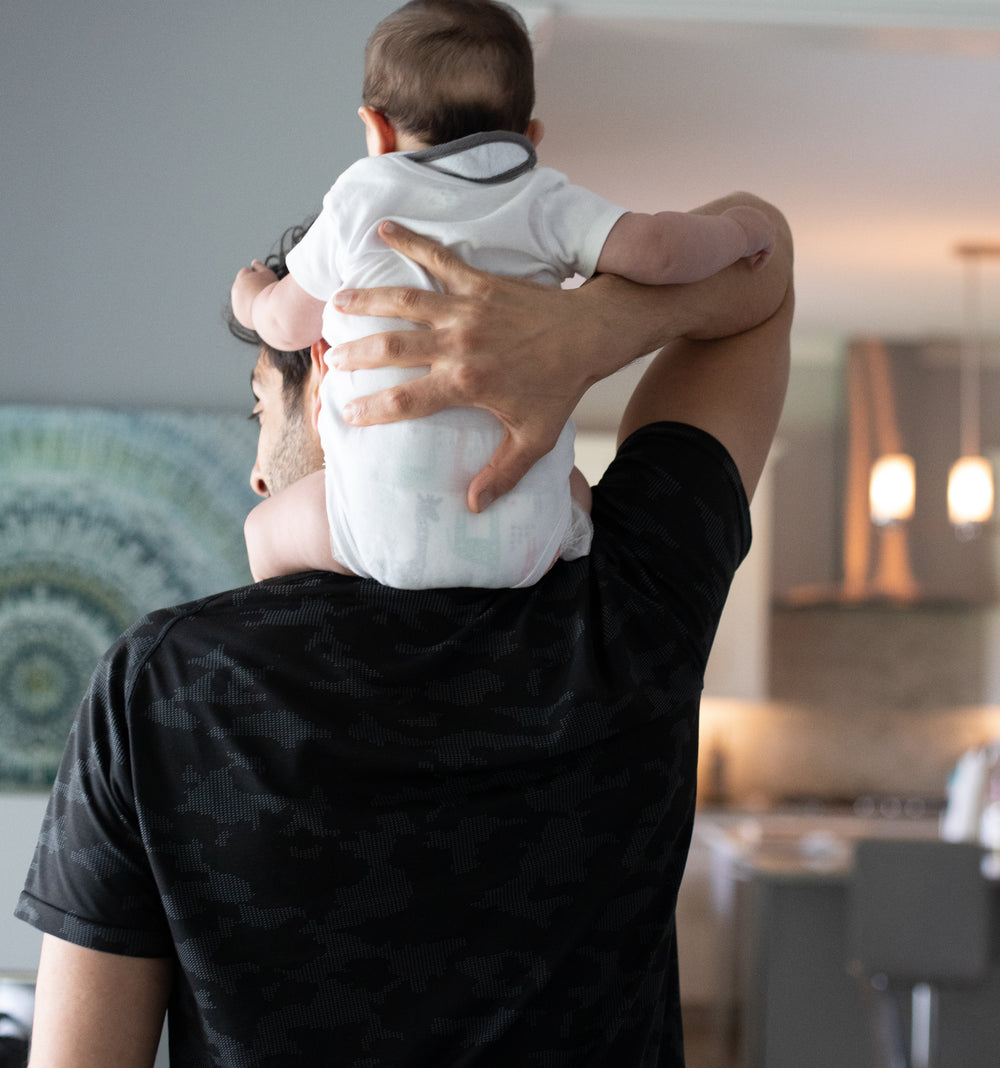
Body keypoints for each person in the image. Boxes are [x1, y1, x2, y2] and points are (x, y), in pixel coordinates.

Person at [19, 194, 792, 1068]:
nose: (258, 475)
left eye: (261, 411)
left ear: (330, 371)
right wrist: (586, 329)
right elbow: (760, 266)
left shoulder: (159, 687)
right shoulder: (631, 603)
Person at [230, 0, 775, 589]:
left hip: (376, 535)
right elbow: (661, 249)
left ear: (376, 131)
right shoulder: (543, 200)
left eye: (260, 405)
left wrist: (251, 294)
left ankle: (287, 614)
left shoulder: (362, 199)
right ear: (531, 136)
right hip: (529, 542)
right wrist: (738, 233)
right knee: (565, 484)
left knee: (263, 533)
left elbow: (283, 323)